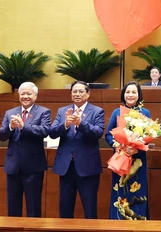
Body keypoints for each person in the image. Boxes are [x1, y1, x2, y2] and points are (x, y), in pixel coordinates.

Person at [48, 80, 105, 219]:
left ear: (88, 94)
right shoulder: (62, 111)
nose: (77, 94)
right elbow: (52, 132)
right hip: (66, 166)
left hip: (87, 167)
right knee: (65, 207)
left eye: (81, 91)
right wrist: (66, 124)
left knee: (90, 208)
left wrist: (81, 124)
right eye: (74, 91)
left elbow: (98, 133)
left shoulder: (97, 111)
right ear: (70, 94)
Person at [0, 82, 51, 217]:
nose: (25, 96)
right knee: (13, 206)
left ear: (35, 96)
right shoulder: (10, 113)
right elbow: (1, 136)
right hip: (13, 165)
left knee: (33, 207)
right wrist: (9, 127)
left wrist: (23, 126)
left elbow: (44, 131)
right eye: (23, 94)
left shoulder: (43, 112)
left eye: (29, 93)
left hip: (33, 166)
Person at [105, 81, 151, 220]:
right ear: (123, 94)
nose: (130, 95)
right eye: (128, 92)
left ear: (139, 95)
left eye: (133, 92)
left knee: (138, 191)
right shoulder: (117, 112)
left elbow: (149, 134)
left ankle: (139, 223)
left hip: (138, 160)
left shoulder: (145, 112)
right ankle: (118, 223)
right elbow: (108, 134)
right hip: (121, 159)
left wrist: (136, 147)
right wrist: (119, 146)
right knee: (120, 191)